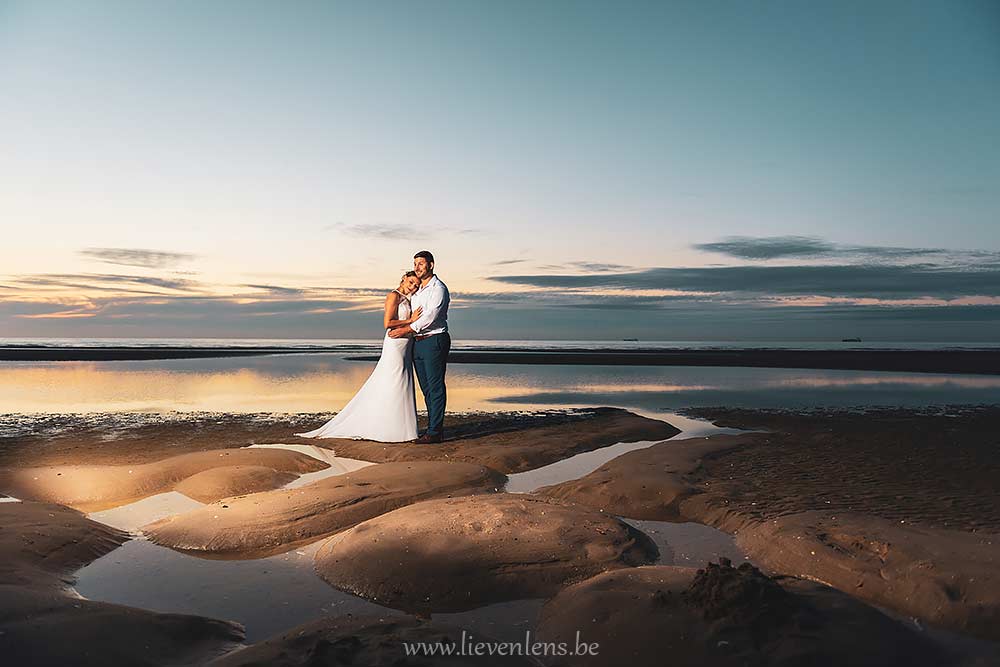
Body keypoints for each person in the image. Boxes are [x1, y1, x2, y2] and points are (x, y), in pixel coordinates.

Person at [295, 271, 422, 442]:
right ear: (404, 278)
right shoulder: (394, 296)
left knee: (402, 382)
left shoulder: (408, 299)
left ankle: (403, 429)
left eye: (416, 285)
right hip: (395, 344)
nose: (413, 286)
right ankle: (393, 429)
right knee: (394, 381)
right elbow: (388, 323)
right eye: (411, 282)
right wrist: (410, 321)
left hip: (406, 344)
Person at [389, 250, 450, 443]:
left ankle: (434, 432)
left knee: (435, 386)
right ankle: (433, 428)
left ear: (431, 265)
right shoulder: (417, 290)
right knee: (426, 388)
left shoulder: (438, 288)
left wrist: (405, 330)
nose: (417, 267)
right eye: (415, 264)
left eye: (421, 264)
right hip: (418, 342)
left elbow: (430, 317)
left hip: (434, 340)